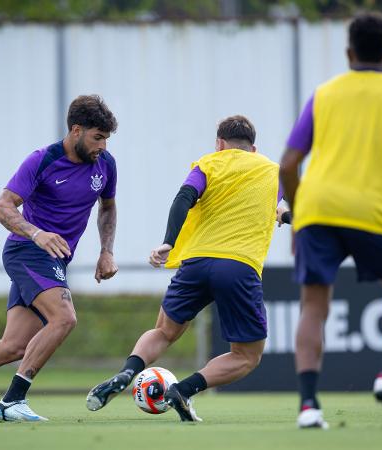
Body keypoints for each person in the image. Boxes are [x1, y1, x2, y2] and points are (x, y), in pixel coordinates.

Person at [280, 12, 382, 429]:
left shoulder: (323, 95)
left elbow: (288, 164)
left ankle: (309, 407)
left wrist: (300, 209)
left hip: (318, 209)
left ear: (348, 52)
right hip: (373, 211)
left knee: (314, 305)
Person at [86, 115, 283, 421]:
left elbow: (184, 197)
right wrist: (285, 216)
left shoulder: (209, 164)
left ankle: (127, 373)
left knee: (164, 331)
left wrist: (168, 242)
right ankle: (185, 389)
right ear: (254, 149)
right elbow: (285, 205)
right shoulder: (272, 172)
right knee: (246, 355)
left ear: (219, 144)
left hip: (196, 263)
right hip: (239, 266)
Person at [0, 95, 119, 422]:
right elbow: (2, 207)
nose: (102, 146)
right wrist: (37, 234)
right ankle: (12, 401)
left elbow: (107, 207)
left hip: (55, 260)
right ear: (76, 130)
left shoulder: (105, 164)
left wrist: (106, 251)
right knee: (65, 318)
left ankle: (12, 401)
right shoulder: (42, 160)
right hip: (28, 251)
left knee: (11, 347)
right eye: (97, 137)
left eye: (107, 139)